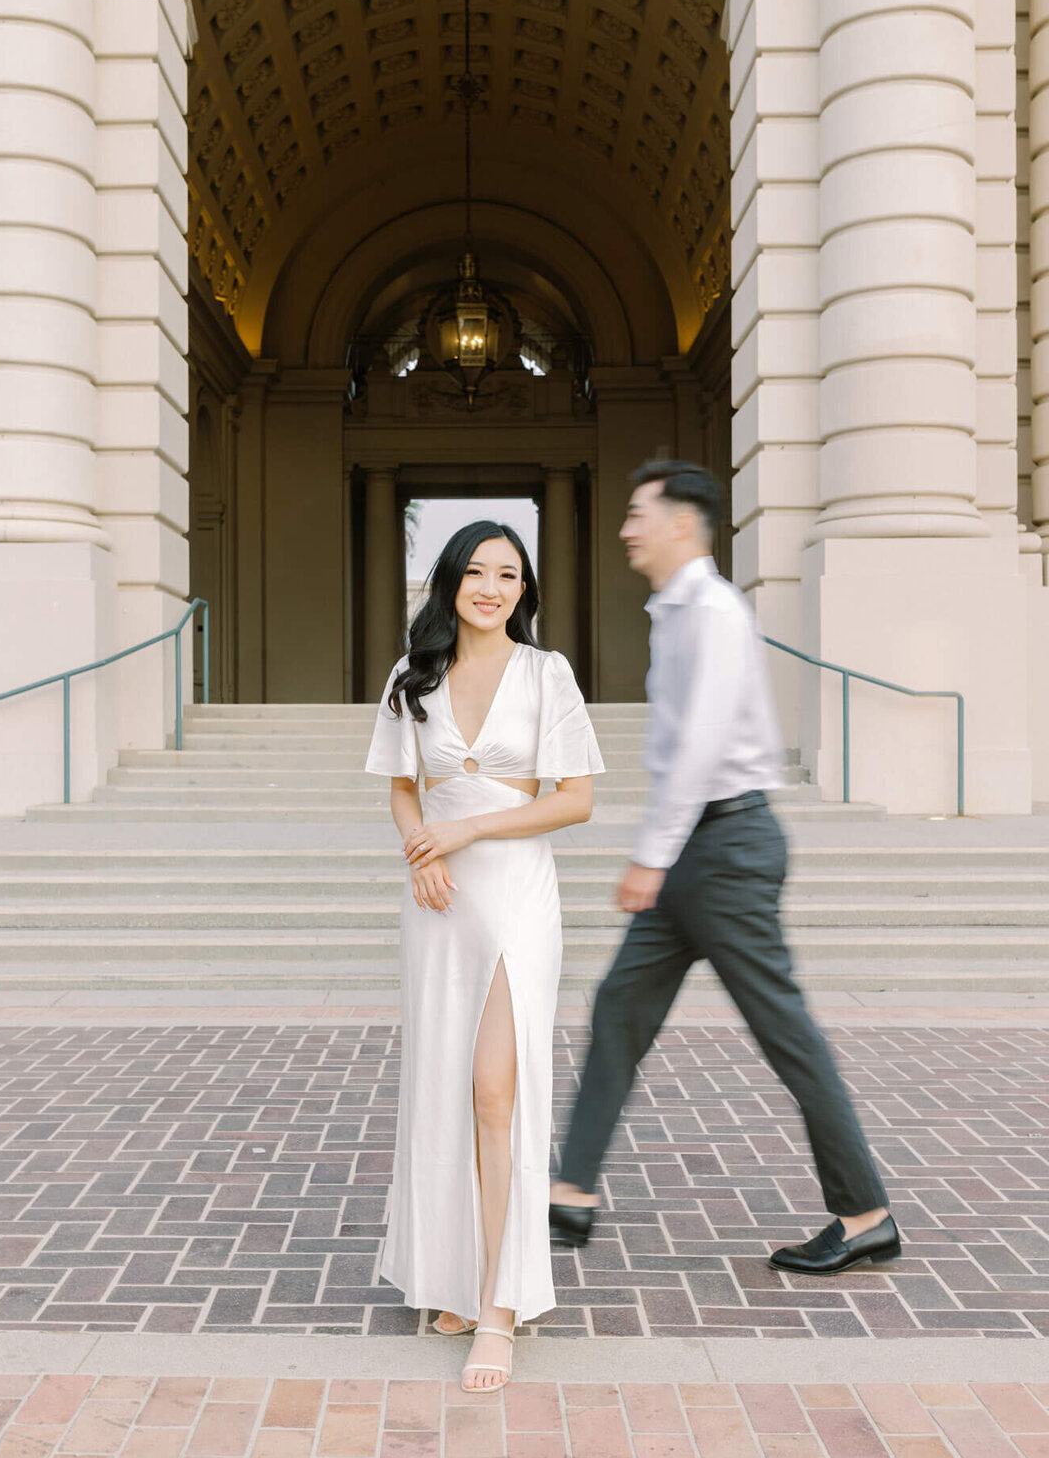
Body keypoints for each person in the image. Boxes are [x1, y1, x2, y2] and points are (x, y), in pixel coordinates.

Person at [548, 461, 900, 1277]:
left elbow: (702, 747)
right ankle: (570, 1196)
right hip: (703, 850)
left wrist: (650, 855)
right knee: (618, 1010)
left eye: (639, 513)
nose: (628, 527)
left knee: (788, 1038)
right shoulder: (674, 612)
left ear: (681, 522)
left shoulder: (709, 610)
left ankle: (865, 1212)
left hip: (725, 848)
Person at [366, 520, 604, 1392]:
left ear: (525, 589)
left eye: (509, 574)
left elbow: (573, 801)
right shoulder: (412, 676)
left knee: (496, 1091)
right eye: (476, 572)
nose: (492, 588)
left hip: (515, 895)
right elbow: (401, 789)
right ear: (450, 584)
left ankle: (500, 1306)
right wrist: (421, 853)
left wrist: (464, 827)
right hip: (437, 902)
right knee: (442, 1083)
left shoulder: (547, 674)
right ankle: (457, 1278)